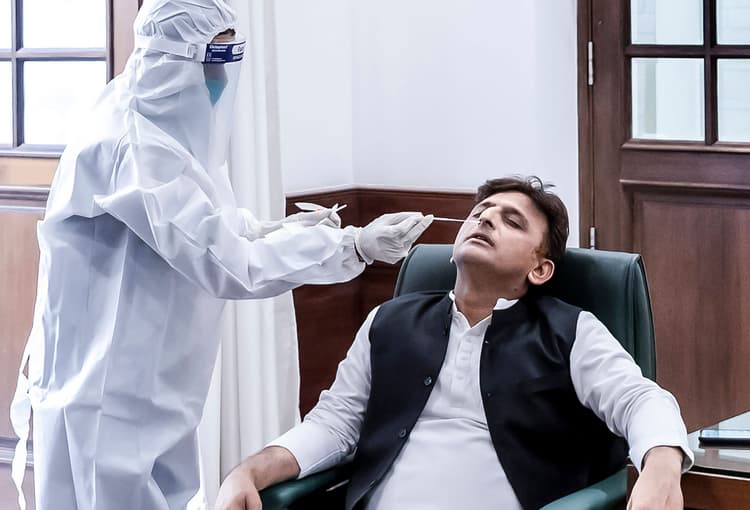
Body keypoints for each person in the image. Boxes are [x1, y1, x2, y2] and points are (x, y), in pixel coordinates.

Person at [9, 1, 432, 509]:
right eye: (216, 58)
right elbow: (226, 262)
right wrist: (351, 246)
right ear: (175, 58)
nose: (221, 77)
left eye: (232, 57)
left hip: (156, 390)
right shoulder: (129, 147)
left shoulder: (168, 130)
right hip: (106, 399)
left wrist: (284, 229)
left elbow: (213, 226)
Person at [215, 176, 694, 510]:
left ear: (540, 268)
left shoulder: (571, 331)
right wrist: (249, 471)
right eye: (480, 213)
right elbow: (334, 425)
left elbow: (641, 400)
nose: (485, 220)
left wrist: (661, 464)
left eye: (512, 221)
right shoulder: (388, 321)